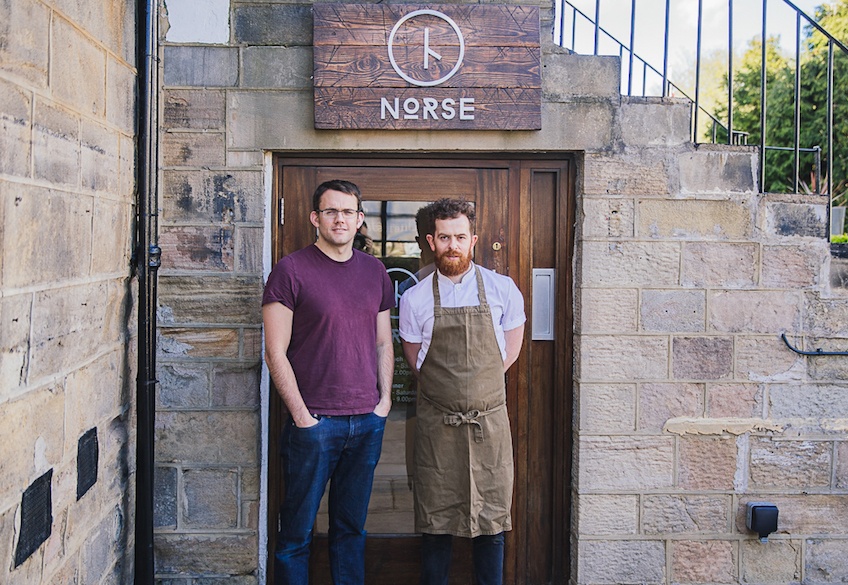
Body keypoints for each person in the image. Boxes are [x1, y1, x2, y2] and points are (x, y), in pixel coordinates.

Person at [262, 179, 395, 585]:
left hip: (366, 421)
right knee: (296, 535)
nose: (340, 218)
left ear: (359, 220)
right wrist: (302, 417)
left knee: (351, 530)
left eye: (348, 211)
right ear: (314, 218)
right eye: (331, 211)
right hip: (315, 423)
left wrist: (384, 401)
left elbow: (383, 342)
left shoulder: (374, 271)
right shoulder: (291, 270)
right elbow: (274, 352)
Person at [398, 198, 525, 585]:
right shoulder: (415, 297)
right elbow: (415, 359)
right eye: (444, 237)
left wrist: (475, 389)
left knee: (491, 522)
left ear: (473, 240)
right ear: (430, 241)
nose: (452, 244)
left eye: (460, 236)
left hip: (488, 424)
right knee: (436, 522)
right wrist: (452, 392)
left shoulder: (503, 289)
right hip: (438, 425)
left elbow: (510, 351)